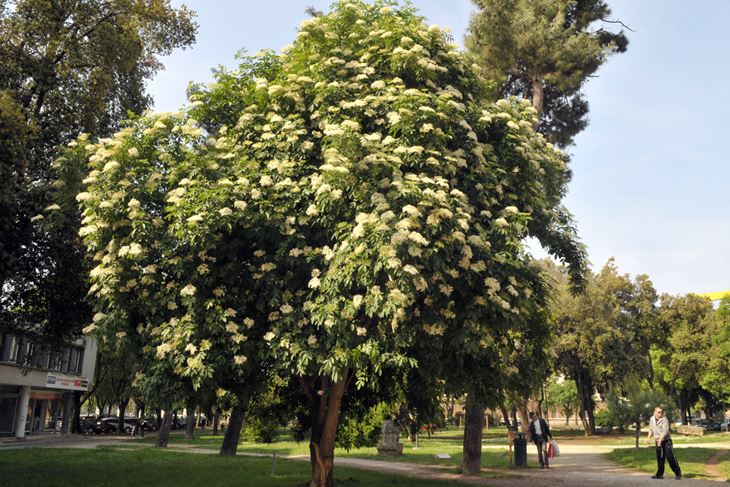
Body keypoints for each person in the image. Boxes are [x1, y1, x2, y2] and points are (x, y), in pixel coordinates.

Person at [647, 406, 681, 479]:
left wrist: (660, 440)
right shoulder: (652, 419)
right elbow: (650, 429)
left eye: (662, 412)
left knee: (670, 458)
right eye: (659, 412)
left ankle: (677, 473)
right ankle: (659, 474)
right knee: (660, 458)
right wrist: (648, 438)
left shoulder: (664, 420)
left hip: (666, 441)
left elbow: (665, 431)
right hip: (657, 441)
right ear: (655, 412)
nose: (660, 413)